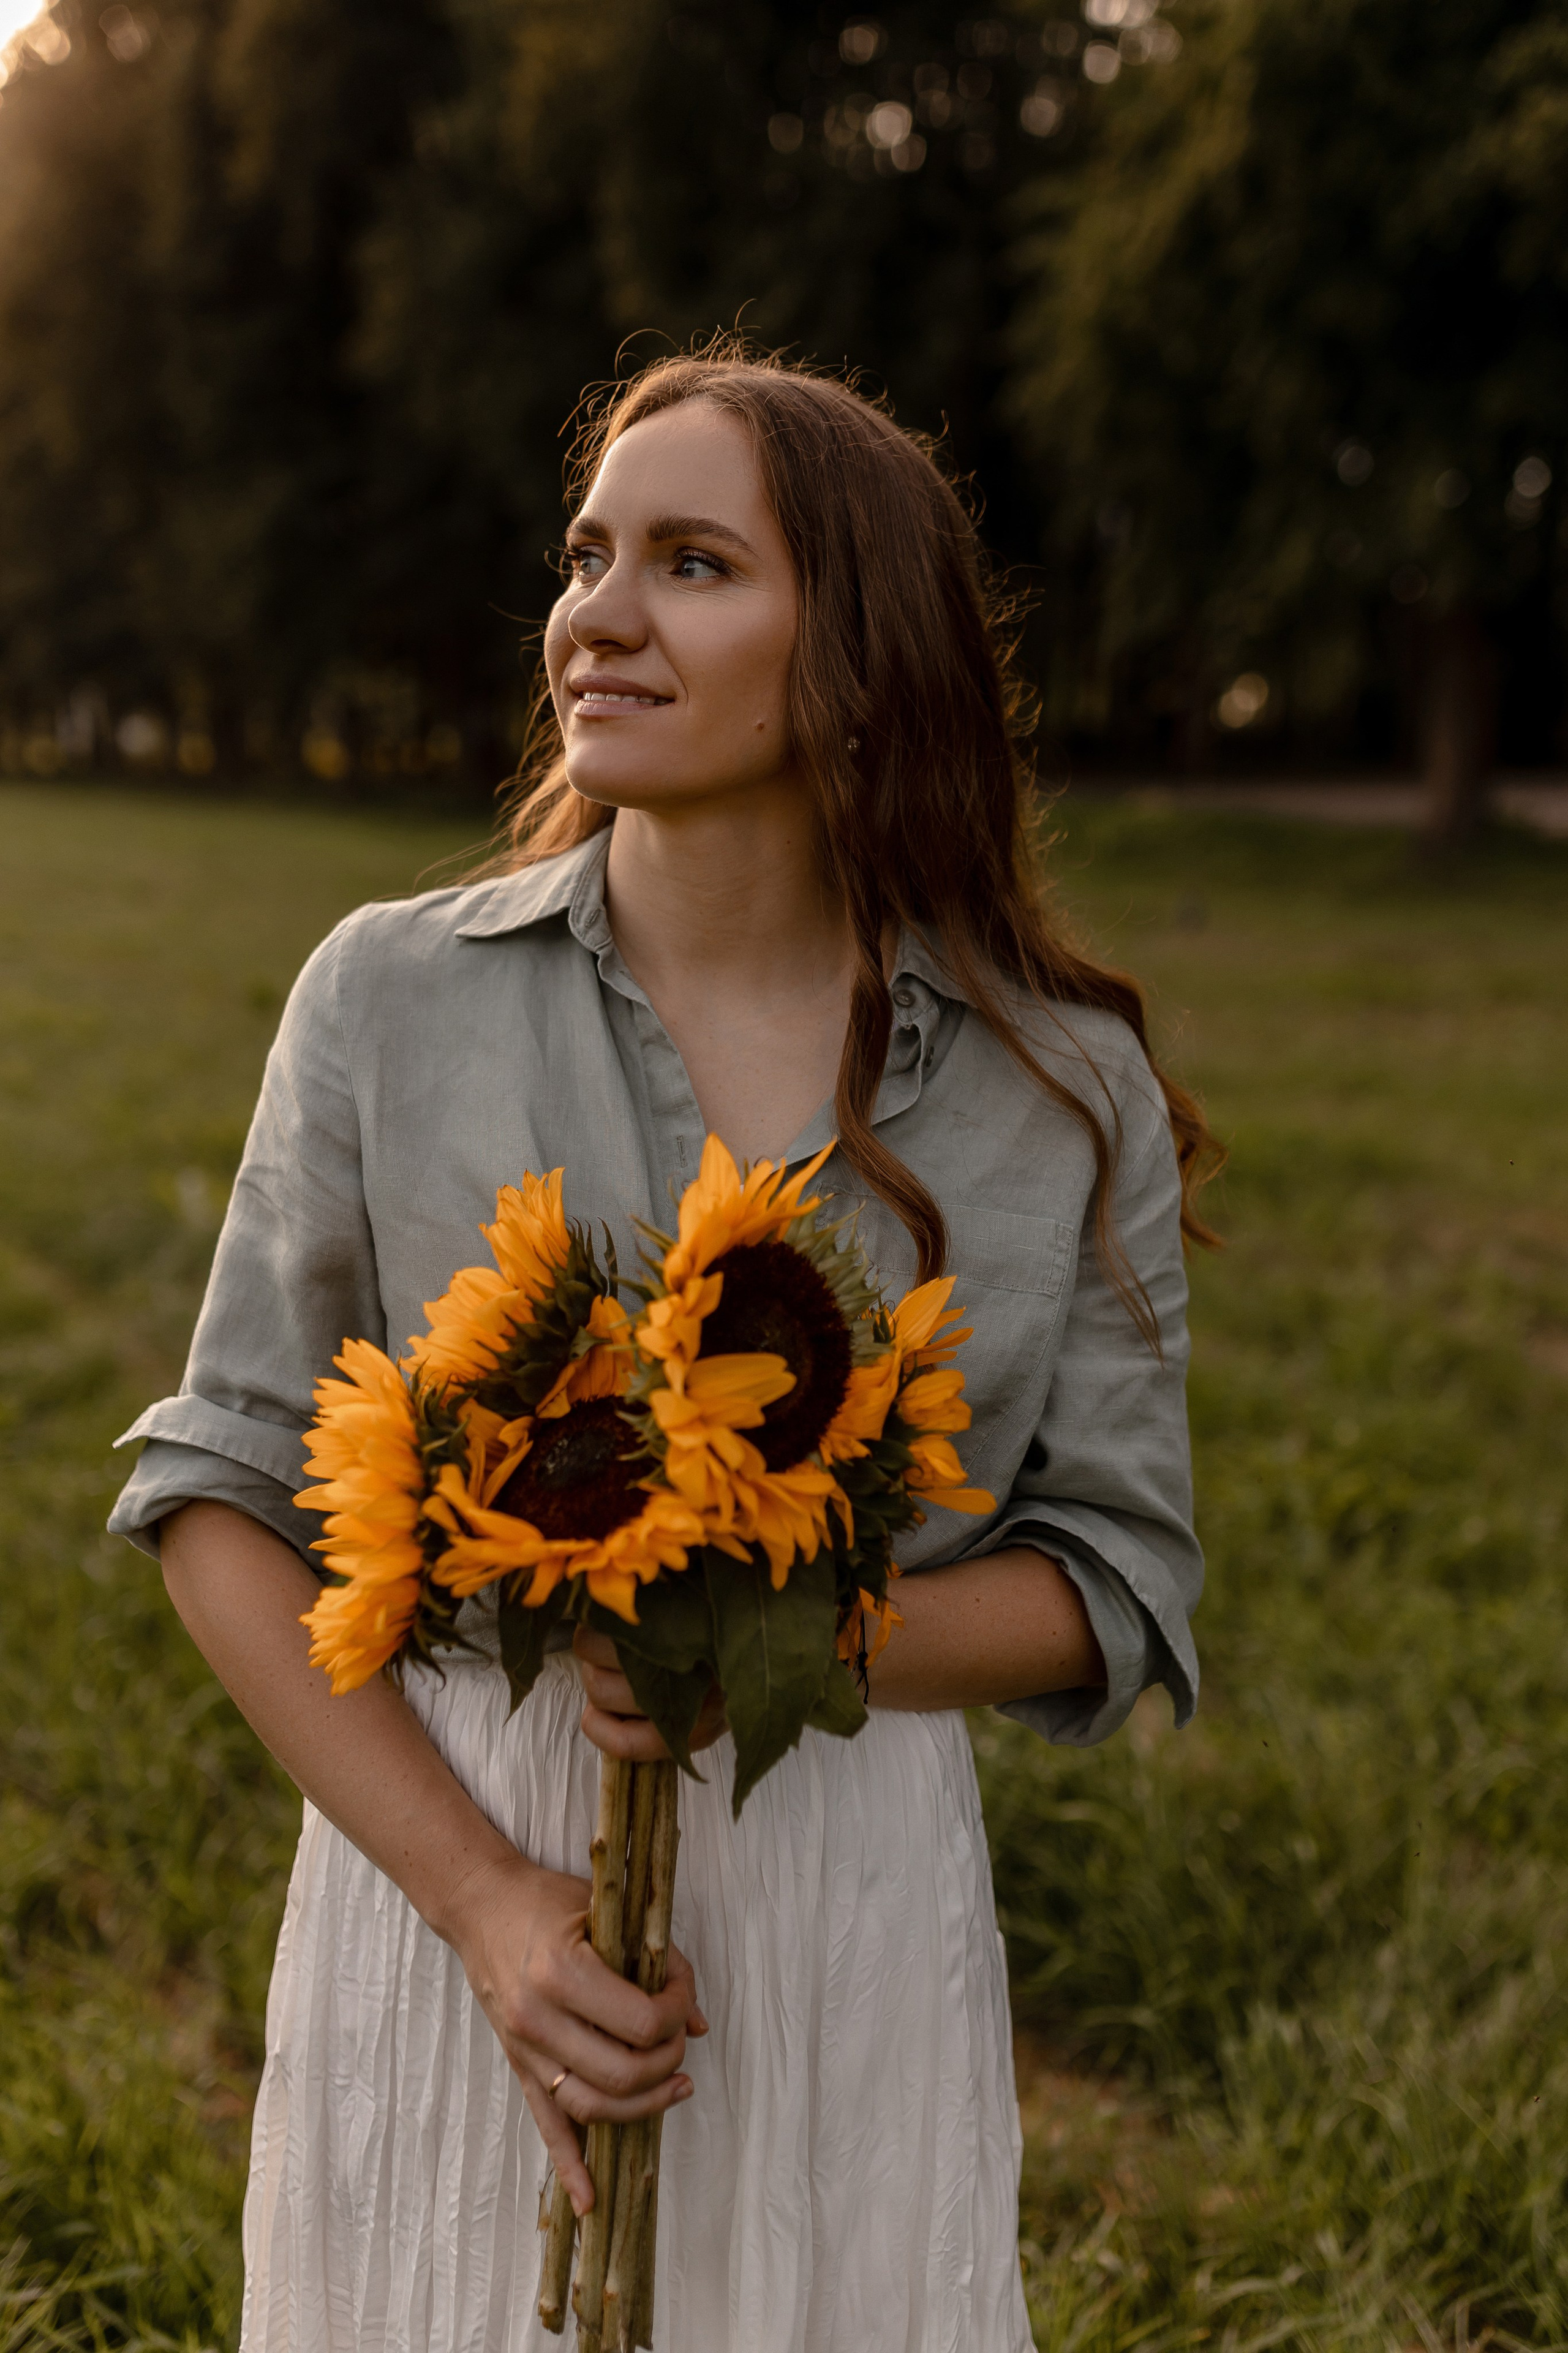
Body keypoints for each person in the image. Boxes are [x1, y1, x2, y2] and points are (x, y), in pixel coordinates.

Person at [110, 345, 1218, 2353]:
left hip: (838, 1885)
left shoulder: (1066, 1087)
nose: (597, 615)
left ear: (861, 652)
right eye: (589, 553)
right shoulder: (384, 997)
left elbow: (1119, 1568)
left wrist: (790, 1639)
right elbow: (222, 1502)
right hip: (463, 1854)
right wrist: (484, 1901)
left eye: (693, 562)